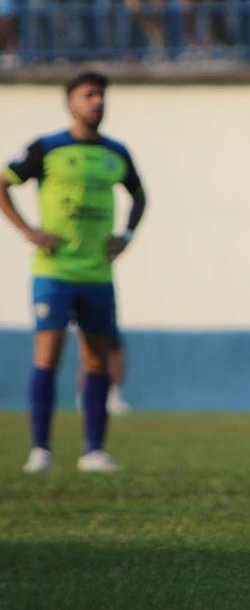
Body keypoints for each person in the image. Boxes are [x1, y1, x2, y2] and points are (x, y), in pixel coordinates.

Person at [1, 72, 147, 474]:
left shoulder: (116, 153)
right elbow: (3, 183)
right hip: (55, 271)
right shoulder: (46, 148)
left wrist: (127, 235)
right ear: (70, 103)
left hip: (97, 275)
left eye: (101, 95)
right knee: (48, 355)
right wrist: (27, 230)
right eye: (89, 95)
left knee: (97, 360)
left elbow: (139, 194)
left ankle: (94, 451)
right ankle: (40, 450)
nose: (97, 102)